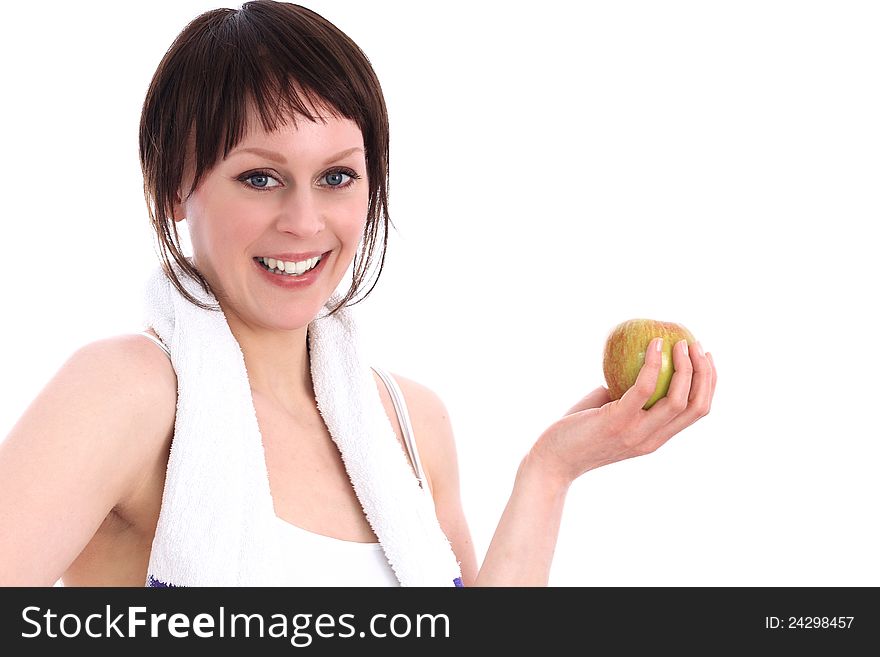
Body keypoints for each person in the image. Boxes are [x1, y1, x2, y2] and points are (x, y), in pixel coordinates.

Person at [0, 0, 716, 587]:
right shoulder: (129, 392)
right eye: (260, 177)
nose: (304, 223)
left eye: (337, 176)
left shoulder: (409, 423)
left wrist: (551, 471)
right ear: (175, 190)